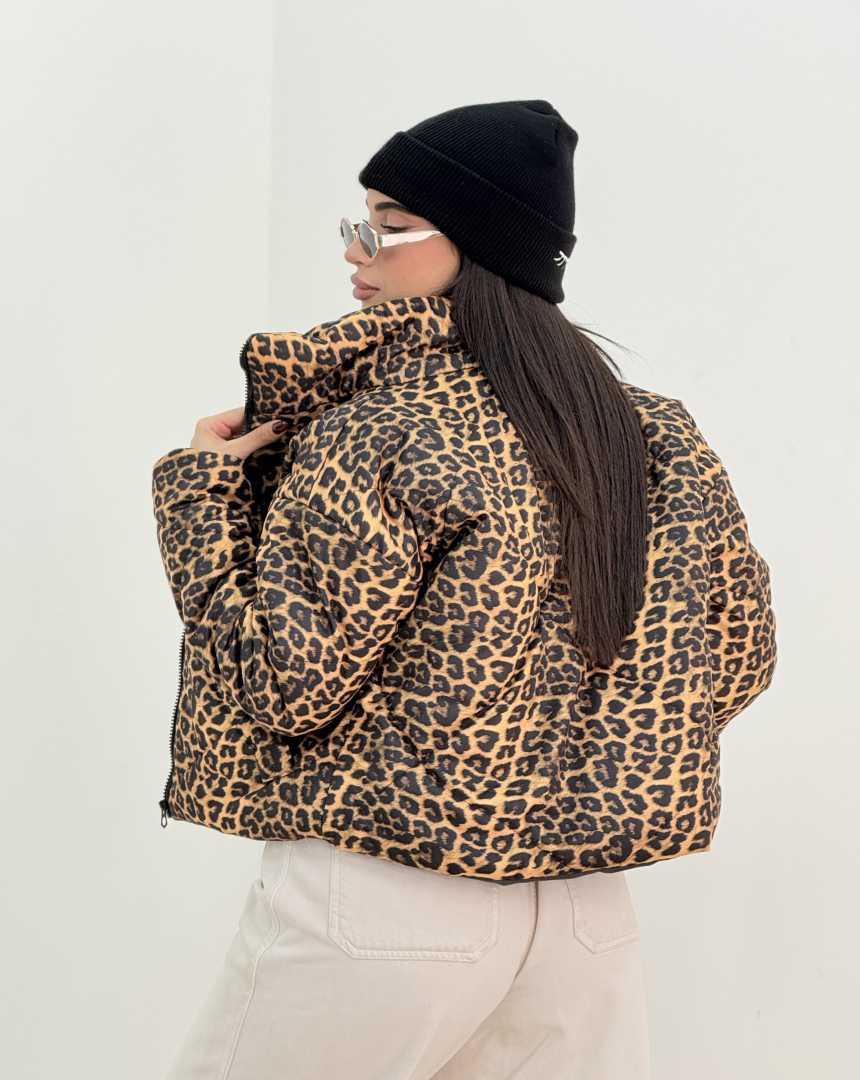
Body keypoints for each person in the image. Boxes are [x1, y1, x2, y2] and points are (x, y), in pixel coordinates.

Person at [155, 100, 777, 1079]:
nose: (355, 249)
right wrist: (554, 753)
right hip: (580, 910)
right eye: (358, 221)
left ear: (480, 242)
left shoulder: (385, 422)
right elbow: (732, 659)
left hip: (391, 887)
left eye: (389, 224)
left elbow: (282, 682)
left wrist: (200, 495)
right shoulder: (647, 432)